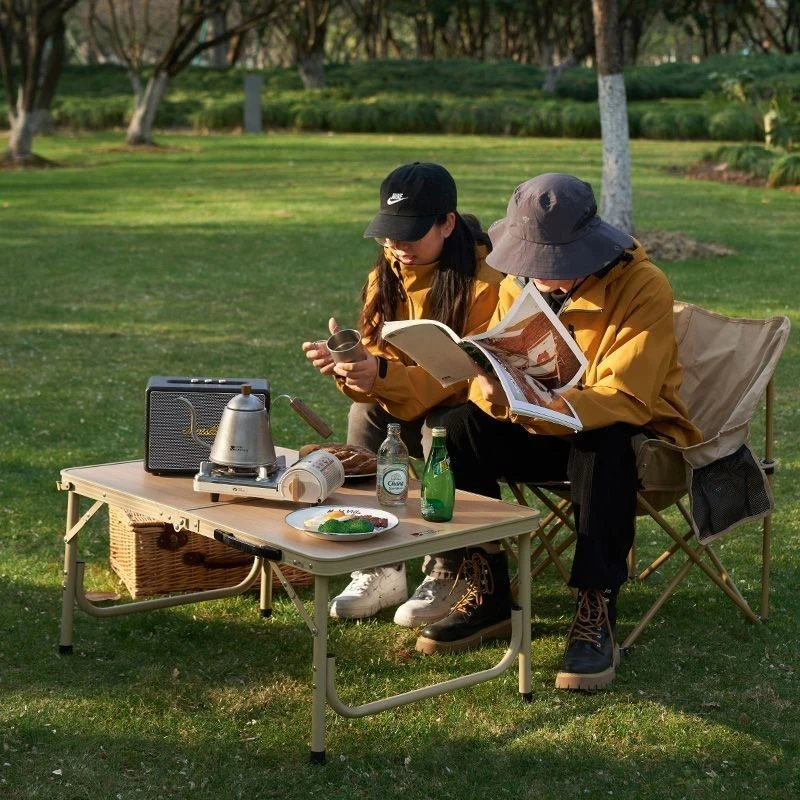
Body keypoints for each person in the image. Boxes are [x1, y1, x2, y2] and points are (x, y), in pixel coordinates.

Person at [415, 173, 702, 690]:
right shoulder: (516, 279)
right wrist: (494, 390)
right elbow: (497, 362)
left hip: (630, 439)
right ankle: (487, 586)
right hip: (540, 425)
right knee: (454, 428)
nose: (541, 278)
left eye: (555, 267)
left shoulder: (643, 285)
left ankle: (596, 606)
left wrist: (552, 403)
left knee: (602, 444)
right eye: (533, 265)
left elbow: (626, 396)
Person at [301, 162, 505, 625]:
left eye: (410, 234)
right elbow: (376, 366)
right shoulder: (387, 275)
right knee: (362, 414)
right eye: (389, 233)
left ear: (447, 223)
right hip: (411, 401)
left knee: (442, 432)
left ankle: (448, 568)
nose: (397, 246)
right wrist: (350, 366)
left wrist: (381, 374)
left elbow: (465, 376)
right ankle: (380, 563)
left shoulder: (488, 283)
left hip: (473, 414)